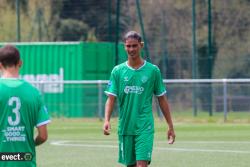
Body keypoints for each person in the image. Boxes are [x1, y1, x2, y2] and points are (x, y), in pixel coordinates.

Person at [103, 31, 175, 167]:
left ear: (141, 46)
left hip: (144, 126)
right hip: (125, 126)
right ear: (124, 47)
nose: (131, 49)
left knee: (141, 165)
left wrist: (170, 125)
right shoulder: (117, 71)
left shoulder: (153, 71)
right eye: (128, 46)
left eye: (134, 46)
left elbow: (162, 99)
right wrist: (106, 120)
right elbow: (111, 99)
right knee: (130, 165)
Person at [0, 45, 50, 167]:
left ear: (0, 64)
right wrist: (29, 144)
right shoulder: (34, 93)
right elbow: (43, 136)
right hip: (26, 161)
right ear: (20, 63)